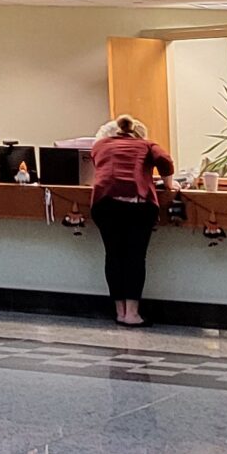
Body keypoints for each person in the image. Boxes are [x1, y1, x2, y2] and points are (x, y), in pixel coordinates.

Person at [91, 115, 173, 326]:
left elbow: (100, 166)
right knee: (135, 257)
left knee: (113, 256)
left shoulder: (100, 145)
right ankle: (132, 314)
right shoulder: (146, 145)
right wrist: (169, 184)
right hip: (137, 205)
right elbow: (165, 161)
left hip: (105, 203)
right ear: (139, 134)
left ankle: (119, 312)